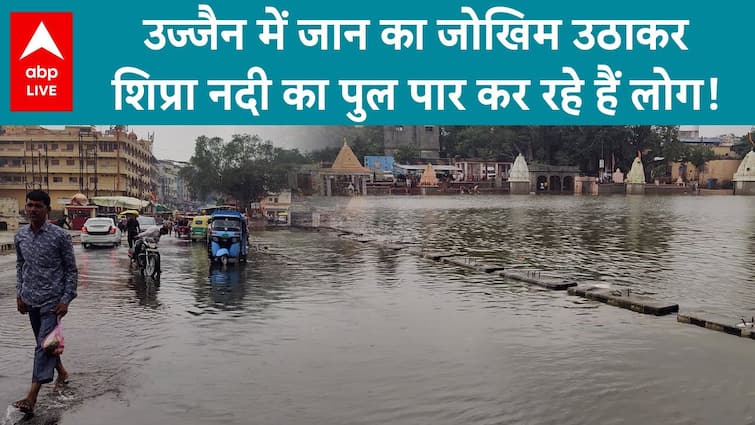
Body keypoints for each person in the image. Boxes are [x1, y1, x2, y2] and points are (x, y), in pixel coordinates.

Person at [13, 190, 78, 415]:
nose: (32, 210)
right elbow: (21, 266)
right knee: (47, 345)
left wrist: (66, 300)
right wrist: (19, 294)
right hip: (30, 299)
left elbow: (71, 270)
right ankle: (61, 371)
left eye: (37, 206)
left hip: (52, 302)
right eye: (29, 205)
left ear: (47, 209)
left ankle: (32, 396)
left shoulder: (60, 236)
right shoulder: (20, 235)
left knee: (43, 346)